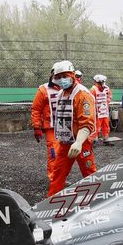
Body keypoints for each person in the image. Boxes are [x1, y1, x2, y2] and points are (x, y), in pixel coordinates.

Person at [48, 60, 97, 196]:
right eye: (58, 77)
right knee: (57, 174)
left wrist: (79, 142)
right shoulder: (60, 94)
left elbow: (87, 123)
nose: (62, 80)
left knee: (90, 174)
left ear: (73, 75)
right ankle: (52, 203)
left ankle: (97, 200)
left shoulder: (82, 94)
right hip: (65, 142)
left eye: (65, 76)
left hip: (81, 142)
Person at [31, 66, 62, 182]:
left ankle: (60, 177)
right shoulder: (43, 90)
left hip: (68, 127)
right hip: (51, 128)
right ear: (53, 75)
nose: (61, 78)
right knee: (54, 154)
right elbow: (36, 109)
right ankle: (54, 179)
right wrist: (36, 127)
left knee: (65, 155)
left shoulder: (70, 88)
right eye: (58, 75)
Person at [91, 74, 112, 145]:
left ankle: (106, 139)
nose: (103, 83)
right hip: (97, 112)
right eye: (101, 82)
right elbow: (91, 100)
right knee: (96, 126)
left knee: (106, 125)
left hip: (105, 111)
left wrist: (107, 104)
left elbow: (109, 96)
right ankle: (95, 140)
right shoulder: (93, 89)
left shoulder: (107, 88)